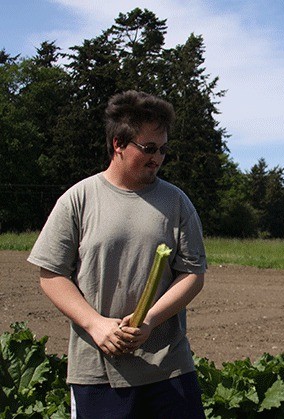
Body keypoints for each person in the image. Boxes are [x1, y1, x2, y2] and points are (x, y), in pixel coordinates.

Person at [28, 90, 207, 418]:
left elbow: (193, 274)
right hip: (97, 372)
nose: (157, 158)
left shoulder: (177, 202)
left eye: (163, 150)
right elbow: (51, 275)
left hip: (168, 369)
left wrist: (150, 320)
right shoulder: (79, 199)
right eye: (148, 149)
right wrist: (96, 325)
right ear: (118, 144)